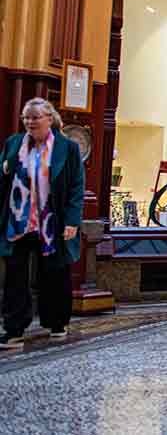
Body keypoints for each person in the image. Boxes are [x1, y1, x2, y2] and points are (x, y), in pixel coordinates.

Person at [1, 99, 85, 349]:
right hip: (19, 221)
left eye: (35, 117)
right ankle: (14, 330)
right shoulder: (14, 143)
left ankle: (57, 323)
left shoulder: (67, 148)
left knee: (54, 273)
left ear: (50, 119)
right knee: (15, 275)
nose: (29, 122)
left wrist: (72, 221)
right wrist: (4, 168)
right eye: (26, 117)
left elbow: (76, 187)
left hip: (52, 221)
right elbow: (3, 175)